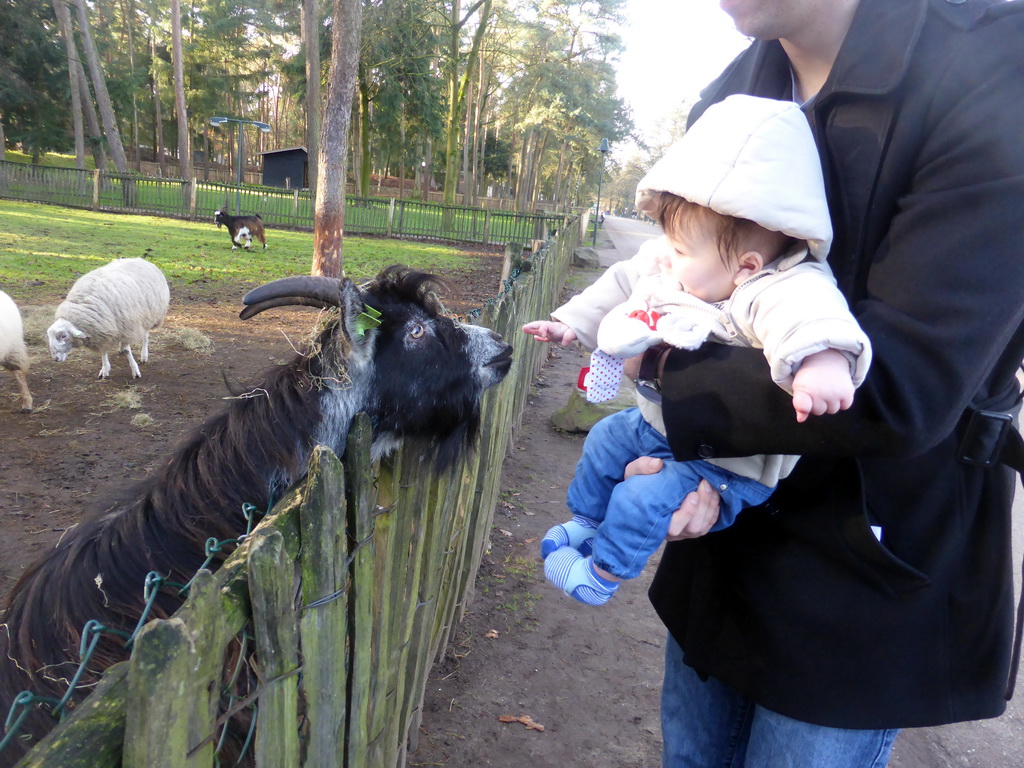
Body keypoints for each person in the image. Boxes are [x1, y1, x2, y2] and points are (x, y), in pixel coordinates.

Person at [634, 0, 1024, 766]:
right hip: (724, 543)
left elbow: (901, 389)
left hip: (865, 576)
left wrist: (662, 373)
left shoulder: (993, 62)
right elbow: (681, 290)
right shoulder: (731, 95)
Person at [522, 95, 871, 607]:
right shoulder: (677, 260)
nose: (665, 255)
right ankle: (585, 522)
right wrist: (570, 323)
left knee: (643, 497)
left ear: (747, 267)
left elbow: (814, 319)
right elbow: (623, 278)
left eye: (681, 250)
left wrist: (821, 364)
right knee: (603, 439)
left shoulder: (778, 287)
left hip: (727, 467)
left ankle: (603, 573)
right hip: (658, 424)